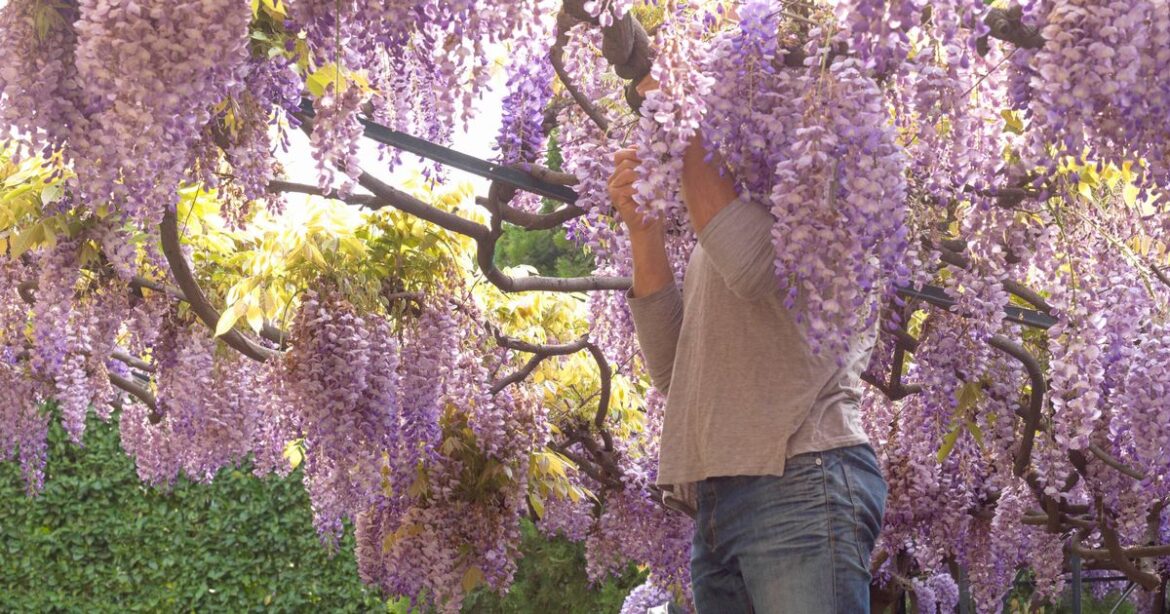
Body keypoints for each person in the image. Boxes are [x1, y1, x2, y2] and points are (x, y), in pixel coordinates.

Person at [609, 75, 888, 613]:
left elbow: (748, 261)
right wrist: (644, 231)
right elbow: (673, 372)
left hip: (803, 478)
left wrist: (679, 103)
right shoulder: (727, 227)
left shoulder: (829, 196)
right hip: (718, 500)